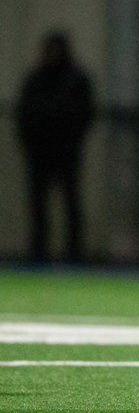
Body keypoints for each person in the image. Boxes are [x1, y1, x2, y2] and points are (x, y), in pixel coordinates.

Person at [15, 29, 95, 264]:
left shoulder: (77, 80)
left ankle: (74, 253)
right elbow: (25, 116)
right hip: (39, 154)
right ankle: (38, 252)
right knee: (38, 206)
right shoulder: (35, 79)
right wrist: (31, 145)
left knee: (71, 203)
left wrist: (71, 142)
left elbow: (84, 115)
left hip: (67, 153)